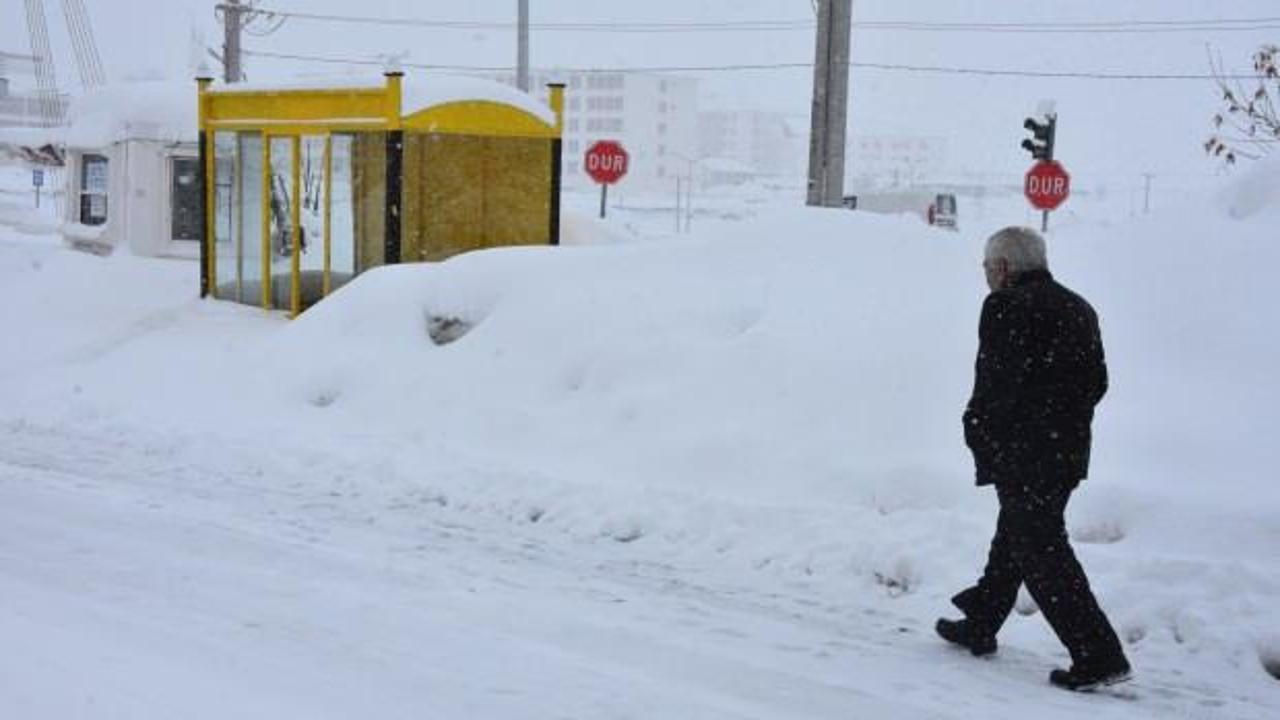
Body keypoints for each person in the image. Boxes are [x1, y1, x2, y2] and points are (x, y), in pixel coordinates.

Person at [936, 226, 1131, 692]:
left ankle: (1099, 654)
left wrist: (978, 427)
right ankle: (982, 618)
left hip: (1024, 452)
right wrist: (1061, 421)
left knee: (1041, 549)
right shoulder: (1078, 306)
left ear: (1003, 268)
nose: (985, 276)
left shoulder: (1005, 305)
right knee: (1018, 536)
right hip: (1066, 452)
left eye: (986, 267)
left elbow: (996, 382)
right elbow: (1097, 383)